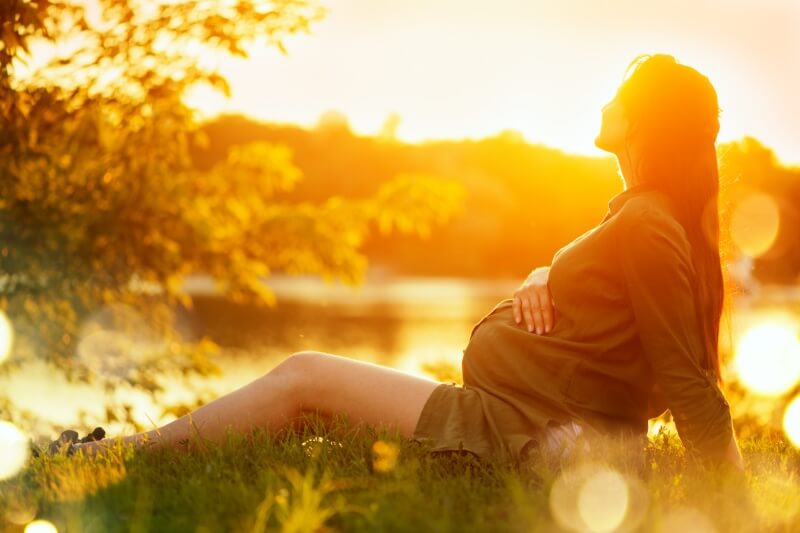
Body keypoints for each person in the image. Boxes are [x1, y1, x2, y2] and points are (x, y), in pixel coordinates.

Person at [54, 53, 745, 471]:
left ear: (645, 118)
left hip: (510, 433)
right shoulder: (635, 212)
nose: (606, 100)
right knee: (307, 408)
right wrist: (544, 277)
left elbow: (688, 387)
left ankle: (110, 456)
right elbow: (627, 337)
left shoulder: (649, 221)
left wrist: (734, 511)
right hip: (510, 418)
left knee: (304, 377)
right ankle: (130, 451)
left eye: (622, 94)